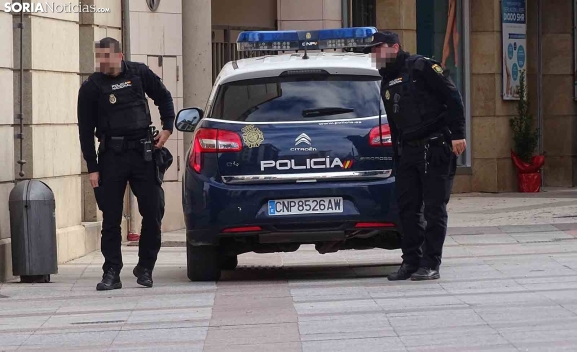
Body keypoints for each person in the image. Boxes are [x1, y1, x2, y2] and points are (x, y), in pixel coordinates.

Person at [364, 32, 466, 281]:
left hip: (435, 146)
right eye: (372, 50)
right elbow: (395, 122)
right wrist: (397, 154)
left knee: (433, 208)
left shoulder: (422, 67)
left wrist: (458, 134)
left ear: (395, 47)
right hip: (408, 150)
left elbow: (452, 98)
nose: (374, 54)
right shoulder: (386, 79)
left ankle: (430, 263)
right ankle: (411, 261)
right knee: (407, 208)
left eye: (379, 48)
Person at [77, 37, 175, 290]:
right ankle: (111, 272)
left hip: (144, 153)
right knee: (111, 218)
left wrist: (167, 129)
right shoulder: (91, 86)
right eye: (100, 58)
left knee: (152, 212)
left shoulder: (139, 73)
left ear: (120, 56)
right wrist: (93, 167)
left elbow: (164, 98)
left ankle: (146, 267)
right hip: (112, 156)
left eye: (108, 58)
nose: (104, 63)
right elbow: (85, 131)